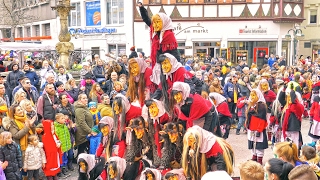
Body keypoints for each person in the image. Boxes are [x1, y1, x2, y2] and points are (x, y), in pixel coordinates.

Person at [138, 2, 180, 67]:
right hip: (156, 62)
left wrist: (178, 65)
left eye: (158, 22)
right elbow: (146, 19)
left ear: (164, 22)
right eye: (154, 22)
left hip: (167, 64)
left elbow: (174, 52)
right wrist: (141, 8)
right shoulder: (154, 29)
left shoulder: (169, 35)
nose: (155, 25)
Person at [246, 89, 268, 165]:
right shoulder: (252, 105)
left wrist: (259, 129)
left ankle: (259, 159)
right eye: (251, 95)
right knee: (252, 142)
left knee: (259, 143)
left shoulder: (261, 106)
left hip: (258, 128)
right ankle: (254, 156)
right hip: (251, 127)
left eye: (253, 95)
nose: (252, 97)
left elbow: (262, 120)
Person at [54, 113, 72, 178]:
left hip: (65, 146)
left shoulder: (64, 126)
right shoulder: (56, 128)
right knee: (60, 159)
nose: (64, 119)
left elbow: (68, 135)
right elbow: (56, 138)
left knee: (65, 158)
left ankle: (64, 169)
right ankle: (60, 171)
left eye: (64, 118)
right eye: (62, 118)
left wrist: (69, 144)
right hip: (60, 147)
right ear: (57, 120)